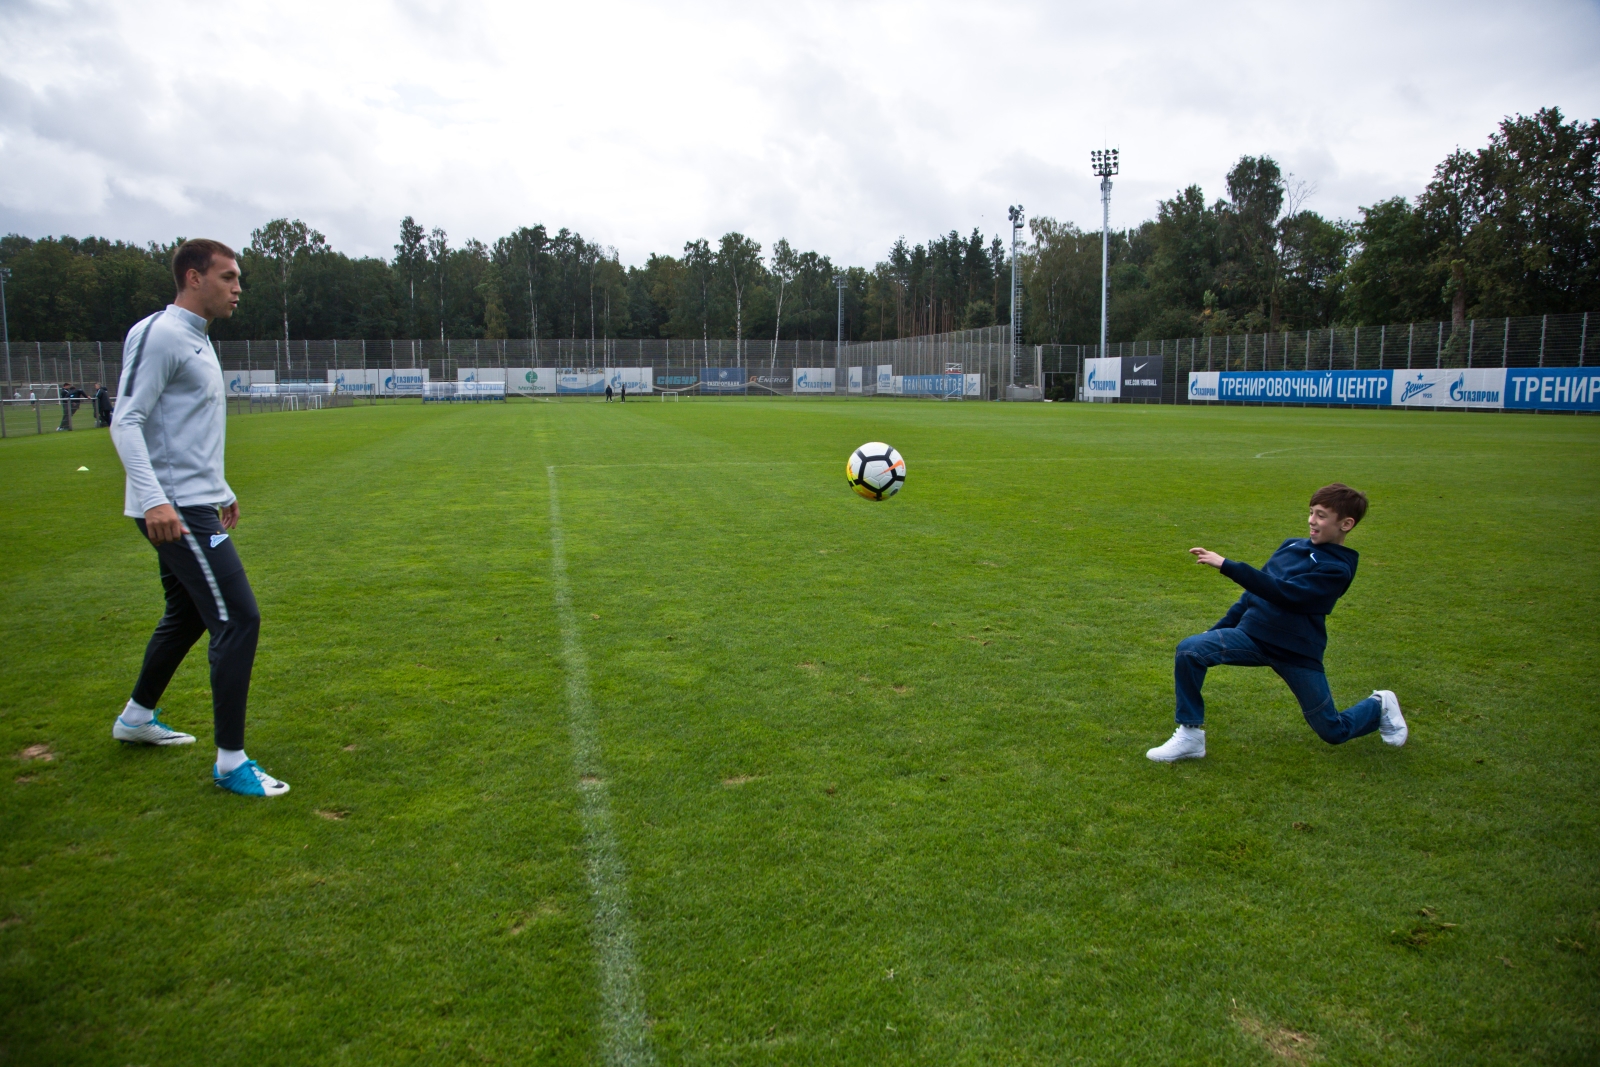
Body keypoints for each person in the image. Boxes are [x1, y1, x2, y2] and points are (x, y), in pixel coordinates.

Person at [109, 238, 287, 797]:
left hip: (194, 498)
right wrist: (155, 499)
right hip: (176, 510)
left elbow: (183, 430)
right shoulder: (161, 334)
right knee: (238, 618)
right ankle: (231, 763)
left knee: (186, 615)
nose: (238, 289)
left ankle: (136, 717)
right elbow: (127, 420)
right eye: (229, 277)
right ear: (193, 277)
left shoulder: (199, 340)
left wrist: (221, 487)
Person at [1147, 483, 1406, 762]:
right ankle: (1191, 736)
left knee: (1333, 731)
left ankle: (1379, 705)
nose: (1311, 520)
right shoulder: (1291, 545)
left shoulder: (1337, 569)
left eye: (1321, 515)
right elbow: (1252, 596)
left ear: (1346, 523)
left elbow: (1288, 595)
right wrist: (1217, 630)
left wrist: (1228, 566)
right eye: (1310, 512)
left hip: (1295, 651)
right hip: (1253, 636)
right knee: (1191, 650)